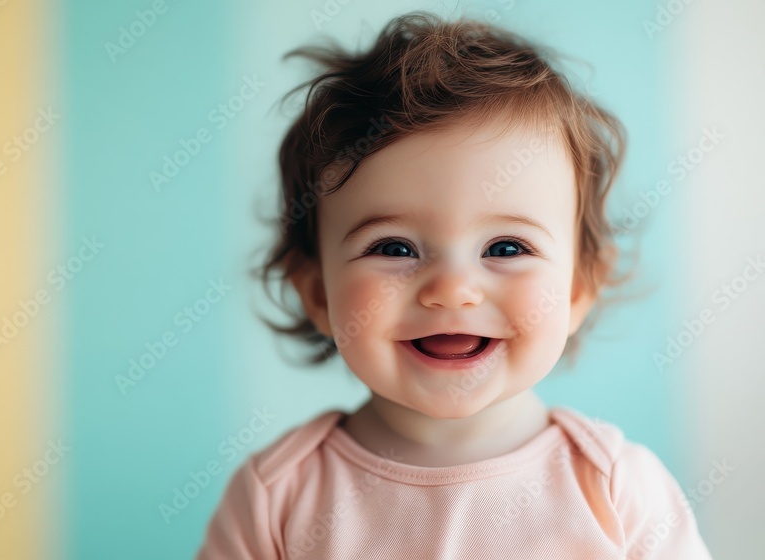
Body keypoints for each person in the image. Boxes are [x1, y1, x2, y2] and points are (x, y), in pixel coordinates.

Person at [197, 11, 713, 559]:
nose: (452, 290)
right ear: (320, 294)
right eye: (394, 248)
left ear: (577, 291)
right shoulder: (277, 496)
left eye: (506, 248)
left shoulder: (616, 489)